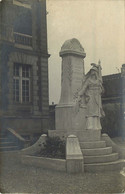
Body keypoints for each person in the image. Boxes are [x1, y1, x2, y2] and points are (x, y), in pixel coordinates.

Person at [78, 63, 105, 130]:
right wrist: (79, 95)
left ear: (96, 72)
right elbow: (84, 88)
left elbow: (102, 90)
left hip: (97, 97)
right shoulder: (88, 80)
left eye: (94, 71)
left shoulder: (98, 81)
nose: (93, 72)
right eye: (92, 71)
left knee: (96, 112)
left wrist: (100, 90)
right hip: (90, 96)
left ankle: (96, 126)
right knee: (90, 111)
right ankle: (90, 126)